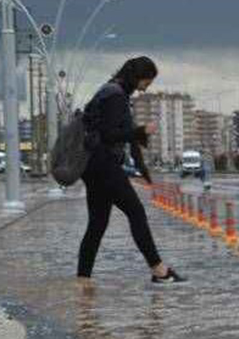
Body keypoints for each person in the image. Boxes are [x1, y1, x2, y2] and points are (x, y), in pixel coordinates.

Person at [77, 56, 186, 284]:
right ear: (137, 77)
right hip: (103, 164)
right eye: (147, 81)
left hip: (94, 166)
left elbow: (129, 136)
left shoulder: (114, 93)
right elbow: (110, 134)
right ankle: (159, 270)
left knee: (97, 223)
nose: (146, 88)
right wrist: (141, 130)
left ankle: (83, 280)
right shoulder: (115, 96)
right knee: (136, 213)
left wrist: (141, 166)